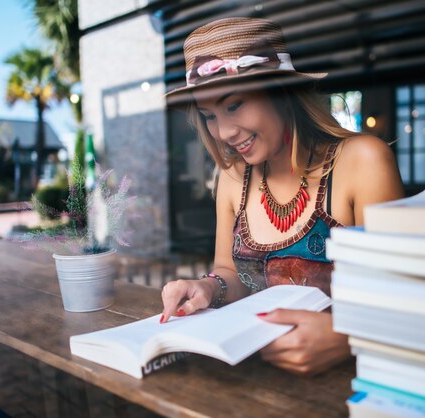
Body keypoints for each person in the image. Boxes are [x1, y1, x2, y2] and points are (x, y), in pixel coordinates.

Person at [161, 17, 403, 376]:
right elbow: (230, 272)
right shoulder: (231, 177)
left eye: (234, 104)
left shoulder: (363, 161)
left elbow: (405, 294)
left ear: (280, 91)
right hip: (258, 379)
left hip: (359, 382)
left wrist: (348, 338)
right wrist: (208, 288)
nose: (224, 132)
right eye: (210, 116)